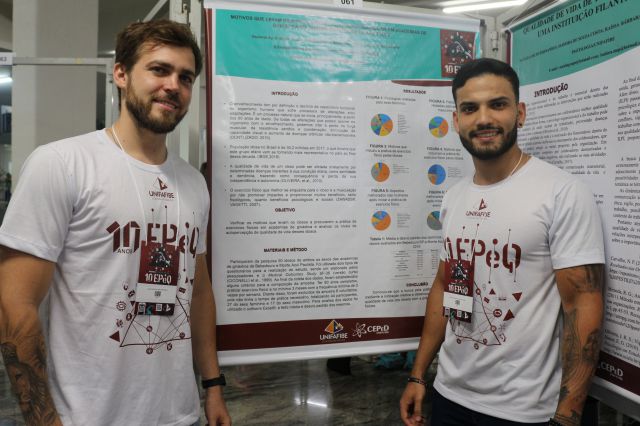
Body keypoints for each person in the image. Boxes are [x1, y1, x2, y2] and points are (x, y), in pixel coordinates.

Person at [0, 20, 231, 426]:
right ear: (121, 74)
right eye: (159, 70)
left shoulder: (193, 183)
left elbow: (197, 292)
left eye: (185, 77)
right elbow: (14, 304)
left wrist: (213, 386)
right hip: (88, 416)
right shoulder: (62, 164)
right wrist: (43, 421)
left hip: (180, 414)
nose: (173, 86)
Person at [400, 58, 604, 426]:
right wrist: (418, 376)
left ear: (519, 113)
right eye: (470, 108)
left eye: (497, 104)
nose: (483, 119)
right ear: (456, 120)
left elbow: (582, 303)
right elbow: (446, 286)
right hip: (449, 395)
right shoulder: (454, 197)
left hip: (524, 410)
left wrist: (567, 416)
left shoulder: (561, 192)